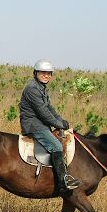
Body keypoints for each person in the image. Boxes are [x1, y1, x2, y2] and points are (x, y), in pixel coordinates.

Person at [19, 59, 81, 196]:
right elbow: (44, 113)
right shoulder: (32, 89)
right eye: (43, 72)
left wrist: (62, 121)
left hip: (41, 124)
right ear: (36, 73)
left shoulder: (41, 88)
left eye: (49, 73)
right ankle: (63, 183)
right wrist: (60, 124)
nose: (46, 75)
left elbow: (50, 109)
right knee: (56, 146)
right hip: (34, 126)